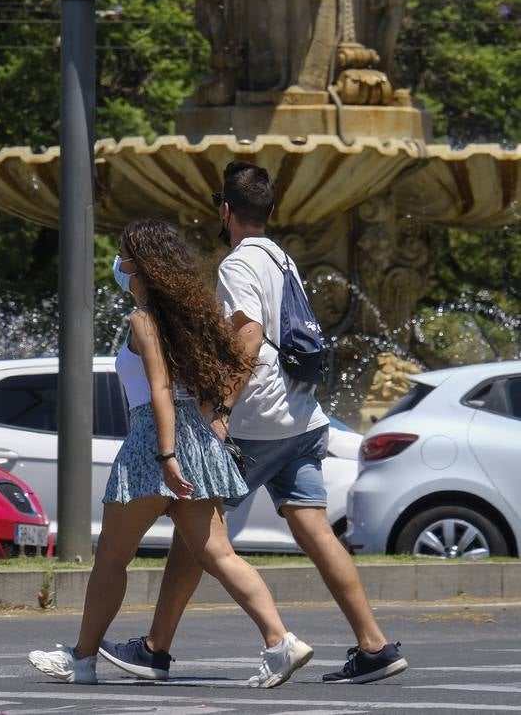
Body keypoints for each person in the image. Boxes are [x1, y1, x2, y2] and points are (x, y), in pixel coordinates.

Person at [99, 164, 408, 685]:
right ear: (271, 210)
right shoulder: (283, 258)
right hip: (303, 417)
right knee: (314, 528)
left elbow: (248, 336)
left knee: (199, 532)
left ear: (225, 211)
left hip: (256, 421)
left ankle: (156, 649)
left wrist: (219, 411)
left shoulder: (238, 263)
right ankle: (374, 645)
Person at [28, 218, 314, 689]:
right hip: (198, 440)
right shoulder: (193, 318)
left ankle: (81, 659)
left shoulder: (144, 320)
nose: (118, 264)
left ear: (139, 266)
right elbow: (222, 366)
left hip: (153, 445)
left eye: (123, 256)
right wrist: (202, 428)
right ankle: (280, 641)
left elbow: (159, 388)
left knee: (111, 560)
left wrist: (166, 455)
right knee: (220, 554)